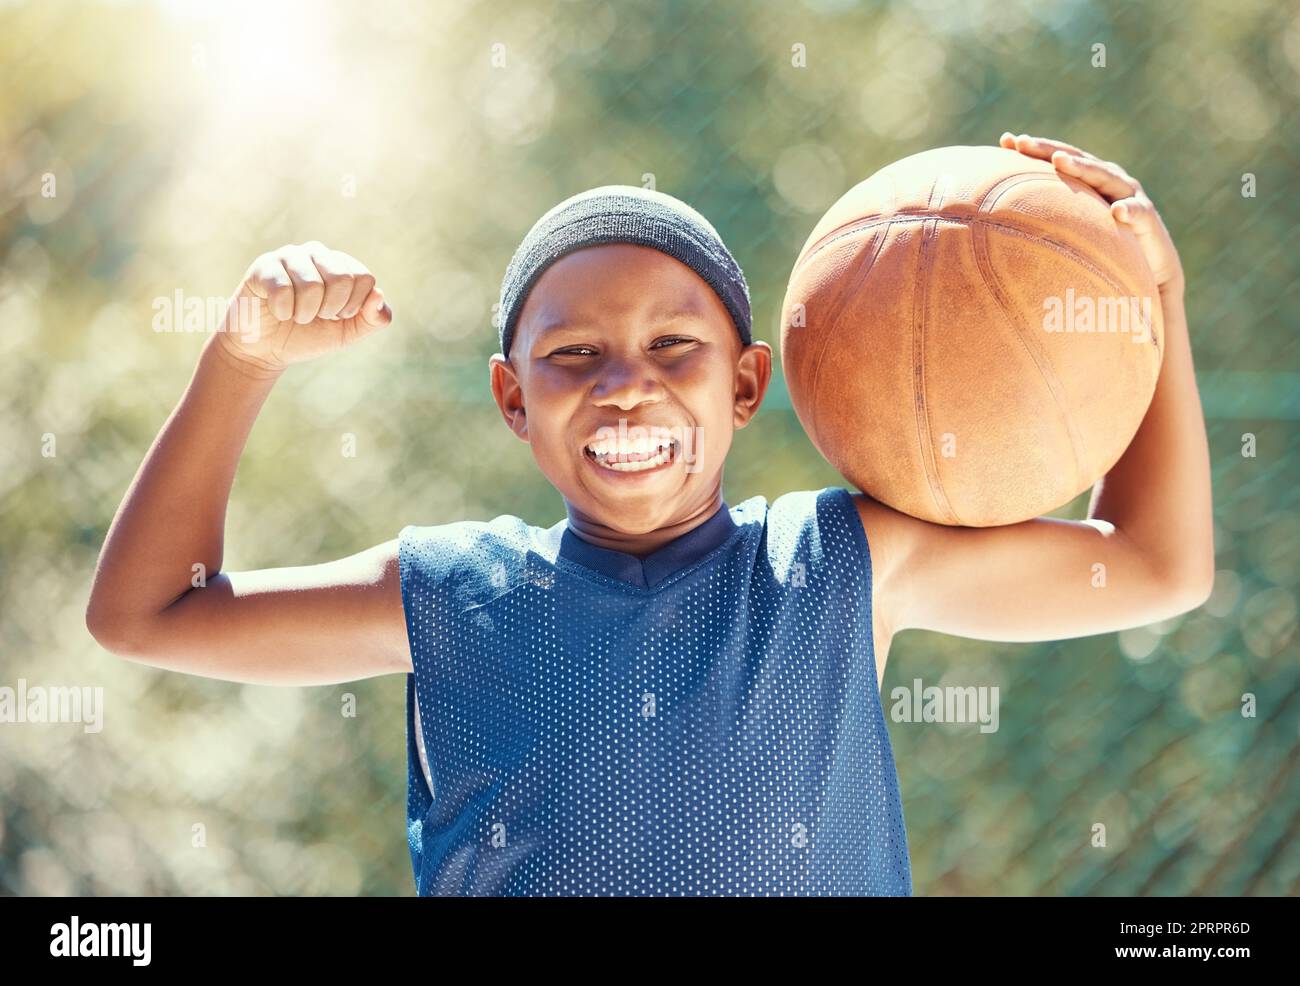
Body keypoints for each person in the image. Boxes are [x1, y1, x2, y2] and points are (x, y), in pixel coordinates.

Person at [85, 132, 1214, 896]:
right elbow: (145, 615)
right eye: (574, 354)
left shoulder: (840, 561)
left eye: (674, 345)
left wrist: (1148, 293)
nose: (626, 381)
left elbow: (1155, 565)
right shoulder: (450, 590)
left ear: (745, 383)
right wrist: (242, 358)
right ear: (511, 399)